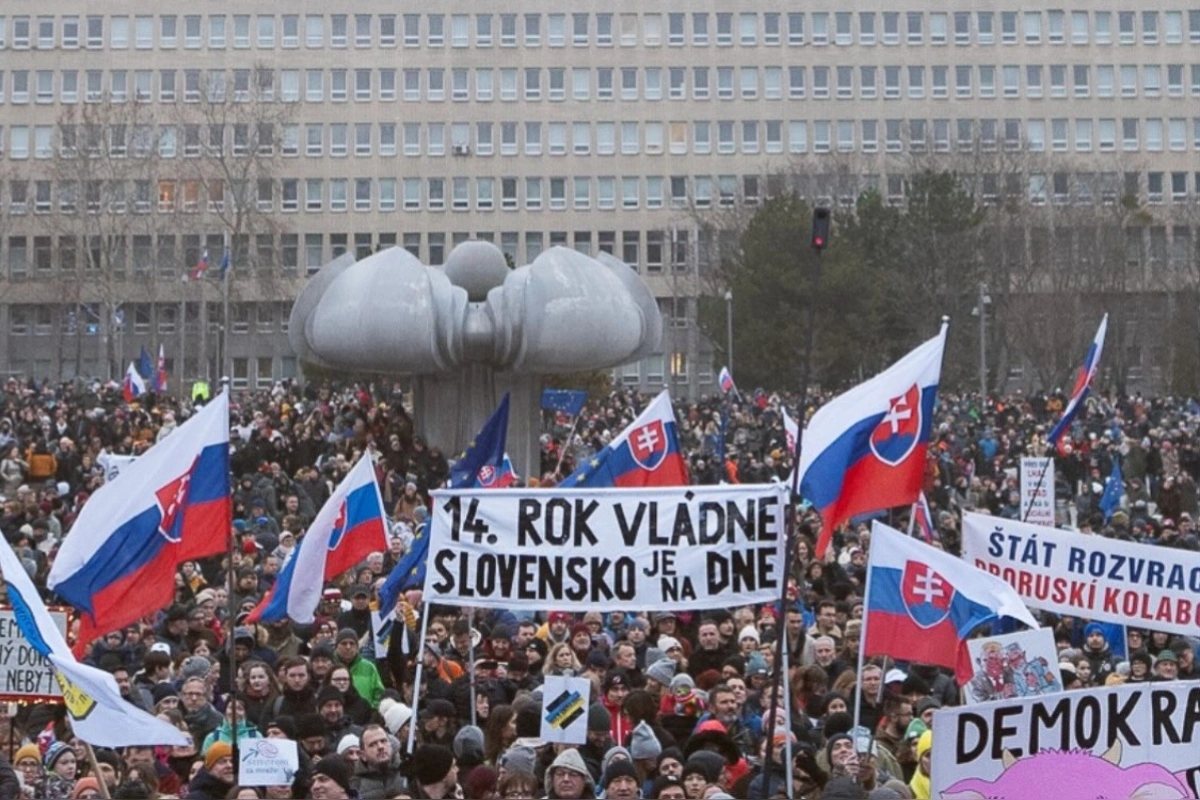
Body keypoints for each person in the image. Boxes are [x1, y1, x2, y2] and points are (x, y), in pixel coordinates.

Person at [354, 724, 407, 799]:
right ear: (363, 755)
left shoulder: (407, 774)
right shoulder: (355, 786)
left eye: (383, 741)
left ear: (390, 745)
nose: (380, 747)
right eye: (372, 744)